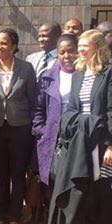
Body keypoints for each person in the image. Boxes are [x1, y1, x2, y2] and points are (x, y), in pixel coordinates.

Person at [58, 29, 112, 224]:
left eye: (86, 45)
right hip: (80, 143)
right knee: (86, 192)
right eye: (80, 45)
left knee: (103, 193)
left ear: (98, 47)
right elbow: (72, 109)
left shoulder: (109, 73)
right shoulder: (78, 73)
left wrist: (111, 145)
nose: (81, 49)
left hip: (101, 143)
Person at [0, 28, 36, 224]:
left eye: (3, 43)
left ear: (14, 47)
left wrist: (32, 128)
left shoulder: (26, 68)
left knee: (17, 174)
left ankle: (14, 217)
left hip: (20, 128)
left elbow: (33, 100)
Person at [32, 35, 78, 190]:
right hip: (52, 137)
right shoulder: (47, 77)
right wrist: (42, 130)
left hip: (76, 137)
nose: (66, 56)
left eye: (70, 51)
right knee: (52, 181)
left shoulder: (86, 76)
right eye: (62, 52)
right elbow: (38, 108)